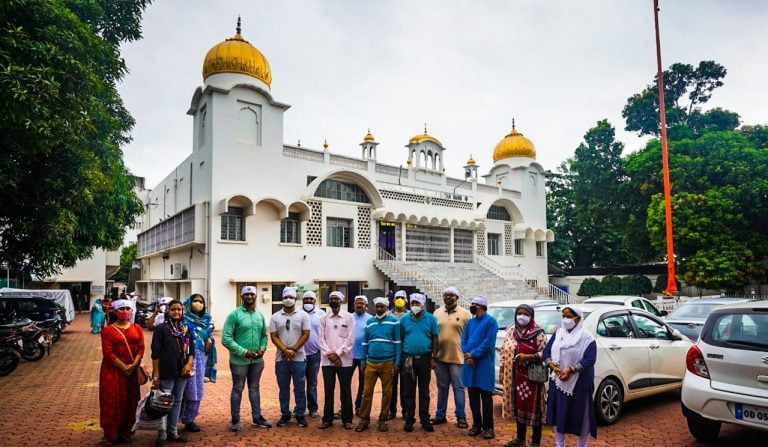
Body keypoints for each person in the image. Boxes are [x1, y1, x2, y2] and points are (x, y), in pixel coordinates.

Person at [544, 306, 597, 447]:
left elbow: (590, 359)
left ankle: (582, 444)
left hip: (580, 382)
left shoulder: (587, 337)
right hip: (558, 381)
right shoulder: (558, 334)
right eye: (563, 316)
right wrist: (554, 367)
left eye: (568, 316)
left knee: (582, 414)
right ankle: (559, 443)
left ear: (577, 318)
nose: (565, 319)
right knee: (559, 413)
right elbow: (546, 352)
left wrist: (571, 369)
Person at [221, 286, 271, 432]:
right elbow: (226, 338)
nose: (250, 296)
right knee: (237, 389)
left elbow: (264, 335)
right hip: (239, 361)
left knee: (255, 388)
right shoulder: (234, 315)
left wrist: (262, 348)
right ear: (242, 296)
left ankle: (257, 417)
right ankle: (235, 420)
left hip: (257, 361)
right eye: (247, 294)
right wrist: (243, 352)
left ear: (255, 297)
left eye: (252, 294)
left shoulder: (259, 316)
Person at [499, 304, 547, 447]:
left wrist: (528, 357)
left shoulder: (538, 332)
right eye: (519, 313)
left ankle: (535, 442)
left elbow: (545, 353)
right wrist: (502, 370)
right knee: (518, 404)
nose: (522, 316)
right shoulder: (511, 331)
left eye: (525, 313)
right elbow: (503, 350)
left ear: (531, 316)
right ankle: (520, 439)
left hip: (534, 375)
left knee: (535, 407)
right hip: (514, 375)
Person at [99, 299, 145, 445]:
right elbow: (108, 353)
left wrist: (134, 364)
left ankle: (126, 432)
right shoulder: (108, 330)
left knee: (130, 401)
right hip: (112, 371)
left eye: (127, 309)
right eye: (121, 309)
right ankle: (110, 435)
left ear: (132, 311)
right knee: (112, 401)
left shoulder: (137, 328)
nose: (125, 312)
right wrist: (124, 367)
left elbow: (141, 347)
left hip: (131, 370)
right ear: (115, 311)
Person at [151, 299, 195, 446]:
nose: (177, 312)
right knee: (164, 403)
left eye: (179, 310)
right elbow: (155, 353)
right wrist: (156, 376)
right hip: (166, 371)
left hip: (182, 372)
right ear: (168, 311)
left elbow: (192, 350)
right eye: (173, 309)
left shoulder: (186, 329)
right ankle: (162, 435)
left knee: (177, 401)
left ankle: (173, 432)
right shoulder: (161, 329)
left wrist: (189, 364)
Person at [355, 297, 401, 433]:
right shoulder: (370, 322)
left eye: (382, 306)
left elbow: (398, 343)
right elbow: (364, 343)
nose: (380, 309)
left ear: (387, 307)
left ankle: (383, 419)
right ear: (374, 307)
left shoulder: (394, 322)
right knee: (366, 392)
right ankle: (364, 419)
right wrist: (363, 361)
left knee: (387, 393)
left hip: (388, 362)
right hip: (371, 362)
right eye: (378, 306)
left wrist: (397, 362)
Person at [269, 287, 311, 428]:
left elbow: (306, 334)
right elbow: (273, 336)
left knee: (299, 388)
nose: (289, 300)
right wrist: (284, 351)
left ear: (295, 299)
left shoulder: (303, 315)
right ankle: (285, 414)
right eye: (286, 297)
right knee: (283, 388)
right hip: (281, 359)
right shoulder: (275, 316)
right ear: (282, 298)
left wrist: (293, 350)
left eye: (291, 297)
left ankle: (300, 415)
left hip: (298, 358)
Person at [399, 293, 439, 432]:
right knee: (408, 390)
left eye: (418, 303)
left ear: (423, 304)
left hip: (425, 359)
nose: (415, 305)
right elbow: (401, 338)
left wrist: (434, 357)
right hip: (408, 359)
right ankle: (409, 419)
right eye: (413, 303)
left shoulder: (431, 319)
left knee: (424, 391)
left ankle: (425, 419)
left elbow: (435, 338)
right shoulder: (404, 319)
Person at [432, 286, 471, 429]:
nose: (448, 297)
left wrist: (467, 353)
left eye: (451, 295)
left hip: (458, 358)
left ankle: (461, 416)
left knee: (458, 388)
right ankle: (440, 415)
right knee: (442, 388)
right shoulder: (437, 313)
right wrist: (433, 356)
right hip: (440, 358)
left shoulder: (465, 314)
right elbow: (433, 335)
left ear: (457, 297)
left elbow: (469, 335)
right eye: (446, 295)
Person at [461, 295, 498, 440]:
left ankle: (488, 428)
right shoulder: (470, 322)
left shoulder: (491, 322)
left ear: (481, 306)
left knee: (486, 397)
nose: (472, 306)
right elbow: (464, 339)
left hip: (483, 364)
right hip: (470, 364)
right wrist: (466, 353)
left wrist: (473, 355)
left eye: (474, 304)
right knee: (473, 396)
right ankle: (477, 425)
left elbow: (488, 343)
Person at [318, 290, 355, 429]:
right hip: (327, 361)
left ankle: (347, 419)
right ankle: (327, 419)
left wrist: (338, 354)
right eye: (331, 298)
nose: (334, 300)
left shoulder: (349, 317)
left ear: (342, 301)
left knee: (345, 390)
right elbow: (320, 339)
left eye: (336, 298)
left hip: (344, 361)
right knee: (328, 389)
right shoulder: (323, 318)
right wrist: (330, 354)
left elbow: (350, 339)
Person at [179, 294, 217, 433]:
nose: (198, 304)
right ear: (189, 303)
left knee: (197, 388)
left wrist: (210, 341)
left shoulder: (207, 320)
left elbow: (210, 337)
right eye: (195, 301)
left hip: (200, 358)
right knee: (183, 388)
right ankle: (175, 419)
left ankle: (190, 419)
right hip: (185, 358)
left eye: (201, 302)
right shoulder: (183, 318)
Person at [301, 290, 325, 418]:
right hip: (299, 354)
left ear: (315, 301)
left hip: (315, 354)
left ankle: (313, 408)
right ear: (302, 300)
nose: (308, 301)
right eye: (306, 299)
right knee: (299, 383)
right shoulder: (297, 312)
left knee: (312, 383)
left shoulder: (321, 314)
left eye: (311, 299)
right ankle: (299, 408)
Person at [388, 290, 408, 419]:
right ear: (393, 300)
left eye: (402, 298)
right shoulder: (388, 315)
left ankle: (405, 410)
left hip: (406, 354)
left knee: (406, 384)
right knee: (391, 384)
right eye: (397, 297)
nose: (399, 300)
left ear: (406, 300)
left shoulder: (411, 315)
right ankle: (391, 410)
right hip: (392, 354)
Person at [351, 295, 371, 416]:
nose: (359, 305)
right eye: (357, 303)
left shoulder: (371, 319)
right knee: (345, 383)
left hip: (364, 356)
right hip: (349, 356)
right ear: (354, 305)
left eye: (362, 303)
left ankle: (359, 407)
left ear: (366, 306)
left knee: (363, 384)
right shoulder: (348, 318)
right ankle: (345, 406)